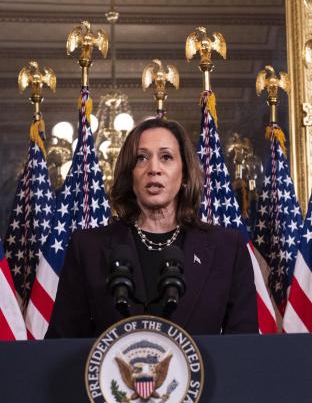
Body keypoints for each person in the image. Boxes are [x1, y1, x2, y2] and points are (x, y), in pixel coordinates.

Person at [45, 117, 258, 338]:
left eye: (166, 157)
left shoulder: (227, 248)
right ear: (130, 174)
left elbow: (243, 352)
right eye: (141, 158)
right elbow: (62, 346)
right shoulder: (87, 248)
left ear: (184, 173)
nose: (154, 168)